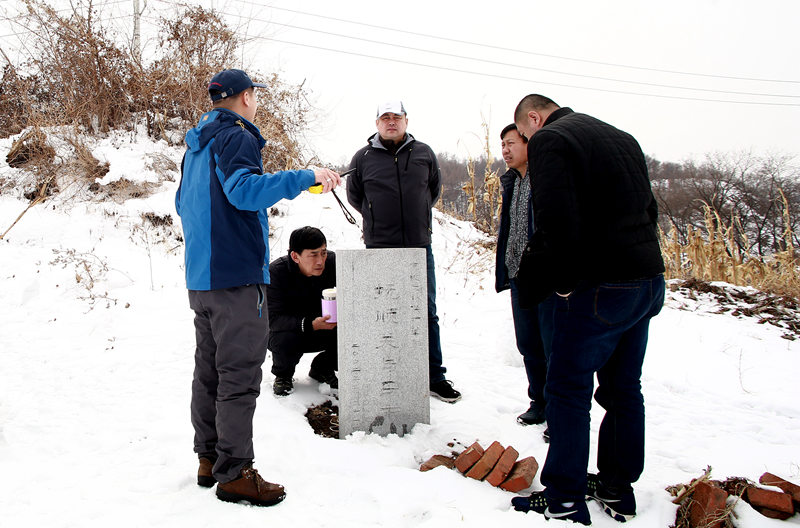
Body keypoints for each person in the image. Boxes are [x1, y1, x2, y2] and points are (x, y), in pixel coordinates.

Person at [175, 68, 341, 507]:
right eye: (255, 95)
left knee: (209, 372)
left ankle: (209, 459)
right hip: (236, 281)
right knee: (240, 376)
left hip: (202, 279)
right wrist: (303, 178)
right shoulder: (237, 135)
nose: (256, 101)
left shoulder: (195, 146)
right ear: (246, 96)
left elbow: (182, 206)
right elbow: (245, 192)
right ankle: (234, 473)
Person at [509, 94, 665, 525]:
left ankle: (563, 497)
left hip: (601, 287)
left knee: (567, 390)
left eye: (524, 134)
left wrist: (544, 283)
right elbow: (648, 211)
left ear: (534, 120)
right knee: (623, 390)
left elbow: (557, 224)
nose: (525, 141)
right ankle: (618, 490)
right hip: (647, 280)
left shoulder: (551, 140)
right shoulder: (621, 137)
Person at [346, 100, 462, 403]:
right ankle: (386, 376)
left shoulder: (424, 153)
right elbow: (355, 196)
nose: (391, 122)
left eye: (396, 117)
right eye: (385, 117)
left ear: (406, 121)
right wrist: (375, 218)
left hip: (419, 244)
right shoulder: (363, 157)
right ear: (377, 123)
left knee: (425, 312)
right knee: (381, 313)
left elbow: (432, 192)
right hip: (379, 245)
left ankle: (435, 377)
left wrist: (417, 215)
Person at [495, 124, 547, 426]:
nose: (505, 150)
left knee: (551, 346)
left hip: (543, 277)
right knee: (528, 344)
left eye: (511, 143)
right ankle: (538, 401)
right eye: (502, 144)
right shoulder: (512, 181)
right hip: (518, 276)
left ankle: (557, 409)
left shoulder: (544, 178)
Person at [268, 226, 337, 396]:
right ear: (295, 256)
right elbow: (273, 319)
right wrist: (309, 324)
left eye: (323, 252)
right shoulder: (277, 272)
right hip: (292, 330)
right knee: (283, 336)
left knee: (354, 328)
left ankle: (322, 367)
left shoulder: (332, 263)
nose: (320, 260)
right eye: (313, 255)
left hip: (326, 325)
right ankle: (283, 375)